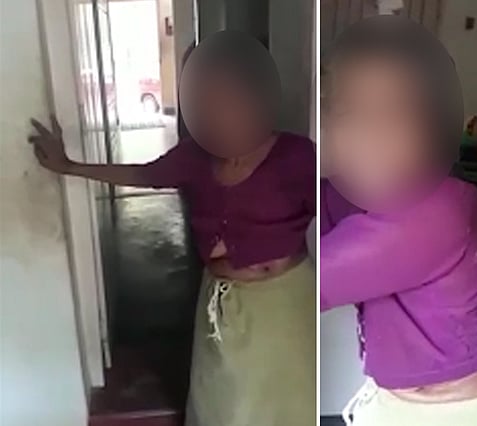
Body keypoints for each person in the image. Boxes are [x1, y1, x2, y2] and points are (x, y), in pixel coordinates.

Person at [29, 31, 316, 426]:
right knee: (224, 399)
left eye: (224, 96)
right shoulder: (193, 156)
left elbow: (335, 213)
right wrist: (69, 166)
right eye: (201, 98)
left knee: (285, 397)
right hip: (220, 301)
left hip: (282, 304)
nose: (213, 109)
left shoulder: (296, 157)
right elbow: (143, 174)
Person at [319, 16, 477, 426]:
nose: (372, 137)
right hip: (397, 401)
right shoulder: (351, 190)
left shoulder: (440, 213)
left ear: (434, 126)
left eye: (397, 114)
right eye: (350, 113)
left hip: (470, 415)